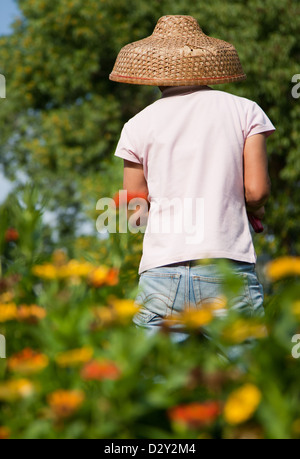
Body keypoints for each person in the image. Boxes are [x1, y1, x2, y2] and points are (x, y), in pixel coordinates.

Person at [110, 15, 275, 342]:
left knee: (155, 385)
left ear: (153, 75)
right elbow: (256, 191)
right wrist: (253, 210)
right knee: (248, 383)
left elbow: (134, 210)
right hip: (227, 268)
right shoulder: (245, 111)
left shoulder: (137, 125)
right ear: (210, 67)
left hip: (160, 273)